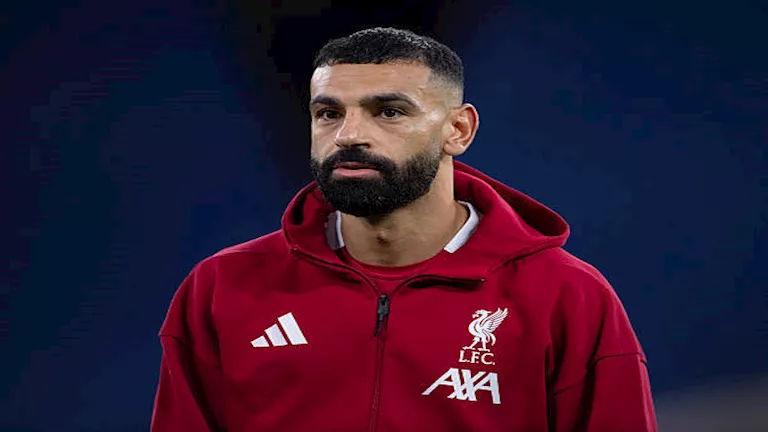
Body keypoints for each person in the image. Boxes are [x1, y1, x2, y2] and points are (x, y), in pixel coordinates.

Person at [151, 27, 657, 432]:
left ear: (458, 130)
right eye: (328, 113)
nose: (348, 135)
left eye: (388, 112)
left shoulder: (567, 296)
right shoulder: (222, 289)